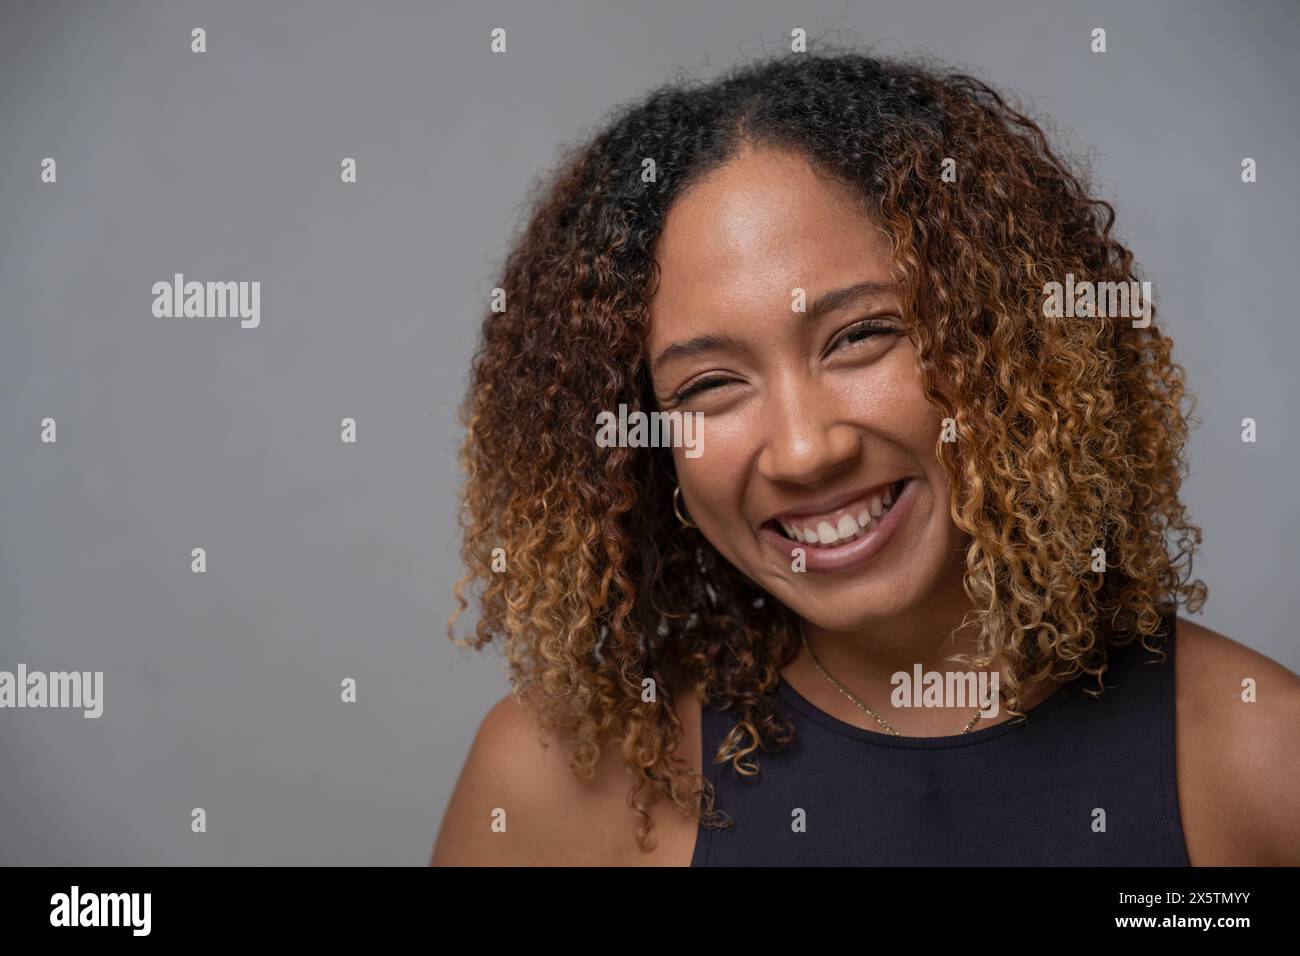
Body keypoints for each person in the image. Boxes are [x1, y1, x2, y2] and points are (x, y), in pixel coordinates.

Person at [431, 50, 1300, 866]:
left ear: (1007, 346)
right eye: (708, 386)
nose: (806, 449)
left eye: (860, 336)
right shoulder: (553, 790)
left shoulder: (1261, 759)